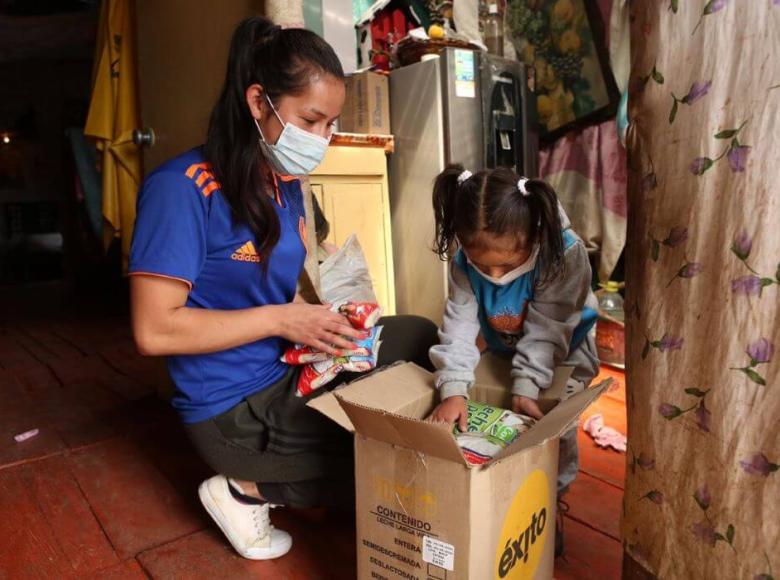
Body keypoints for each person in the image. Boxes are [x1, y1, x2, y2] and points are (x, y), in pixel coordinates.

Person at [128, 17, 436, 561]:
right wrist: (281, 319)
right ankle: (244, 490)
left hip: (287, 364)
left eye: (331, 124)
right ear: (258, 102)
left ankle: (302, 461)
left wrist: (324, 324)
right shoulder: (180, 188)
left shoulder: (283, 183)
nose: (321, 139)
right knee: (394, 467)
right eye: (310, 120)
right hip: (233, 407)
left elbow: (268, 291)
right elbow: (154, 330)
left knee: (417, 337)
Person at [427, 164, 599, 557]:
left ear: (535, 234)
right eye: (482, 264)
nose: (494, 274)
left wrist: (526, 387)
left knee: (558, 425)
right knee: (489, 411)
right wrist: (453, 387)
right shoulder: (463, 263)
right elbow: (457, 324)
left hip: (565, 348)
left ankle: (551, 499)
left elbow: (548, 329)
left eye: (506, 265)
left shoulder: (565, 253)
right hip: (503, 344)